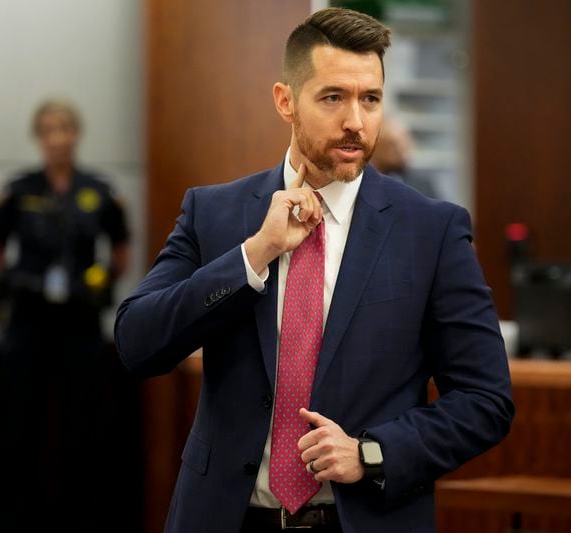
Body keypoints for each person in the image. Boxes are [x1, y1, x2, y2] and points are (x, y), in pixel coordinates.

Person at [116, 8, 513, 533]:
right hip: (227, 518)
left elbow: (486, 400)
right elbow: (137, 343)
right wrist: (254, 254)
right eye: (333, 97)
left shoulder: (431, 231)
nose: (356, 120)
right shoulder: (215, 214)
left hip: (363, 518)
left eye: (369, 98)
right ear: (286, 101)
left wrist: (372, 453)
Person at [0, 98, 130, 532]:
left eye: (64, 128)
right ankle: (13, 515)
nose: (56, 137)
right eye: (47, 129)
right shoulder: (19, 189)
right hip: (28, 320)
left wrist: (101, 281)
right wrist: (8, 290)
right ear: (39, 137)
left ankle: (83, 515)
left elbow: (120, 253)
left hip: (80, 321)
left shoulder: (100, 189)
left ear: (76, 134)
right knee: (17, 422)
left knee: (82, 421)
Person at [370, 117, 438, 198]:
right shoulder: (363, 184)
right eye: (393, 144)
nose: (401, 150)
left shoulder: (422, 184)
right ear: (375, 147)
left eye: (405, 143)